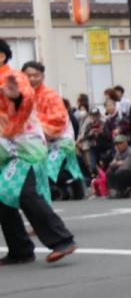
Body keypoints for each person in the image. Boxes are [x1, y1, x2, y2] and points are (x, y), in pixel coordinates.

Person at [0, 41, 76, 266]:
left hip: (23, 146)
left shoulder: (14, 77)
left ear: (2, 56)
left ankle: (62, 239)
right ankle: (20, 250)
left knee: (23, 192)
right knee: (3, 198)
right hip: (4, 148)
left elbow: (24, 97)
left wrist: (16, 98)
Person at [22, 62, 85, 200]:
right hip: (35, 141)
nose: (32, 79)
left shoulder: (51, 95)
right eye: (28, 76)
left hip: (59, 139)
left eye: (36, 75)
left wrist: (39, 129)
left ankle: (73, 184)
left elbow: (59, 119)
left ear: (42, 76)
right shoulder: (22, 96)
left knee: (49, 167)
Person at [106, 133, 131, 197]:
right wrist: (118, 163)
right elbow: (110, 165)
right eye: (116, 144)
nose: (118, 146)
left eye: (120, 143)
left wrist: (116, 164)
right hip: (125, 172)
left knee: (120, 172)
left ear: (125, 143)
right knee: (109, 172)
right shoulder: (118, 152)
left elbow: (126, 167)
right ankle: (114, 191)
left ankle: (122, 191)